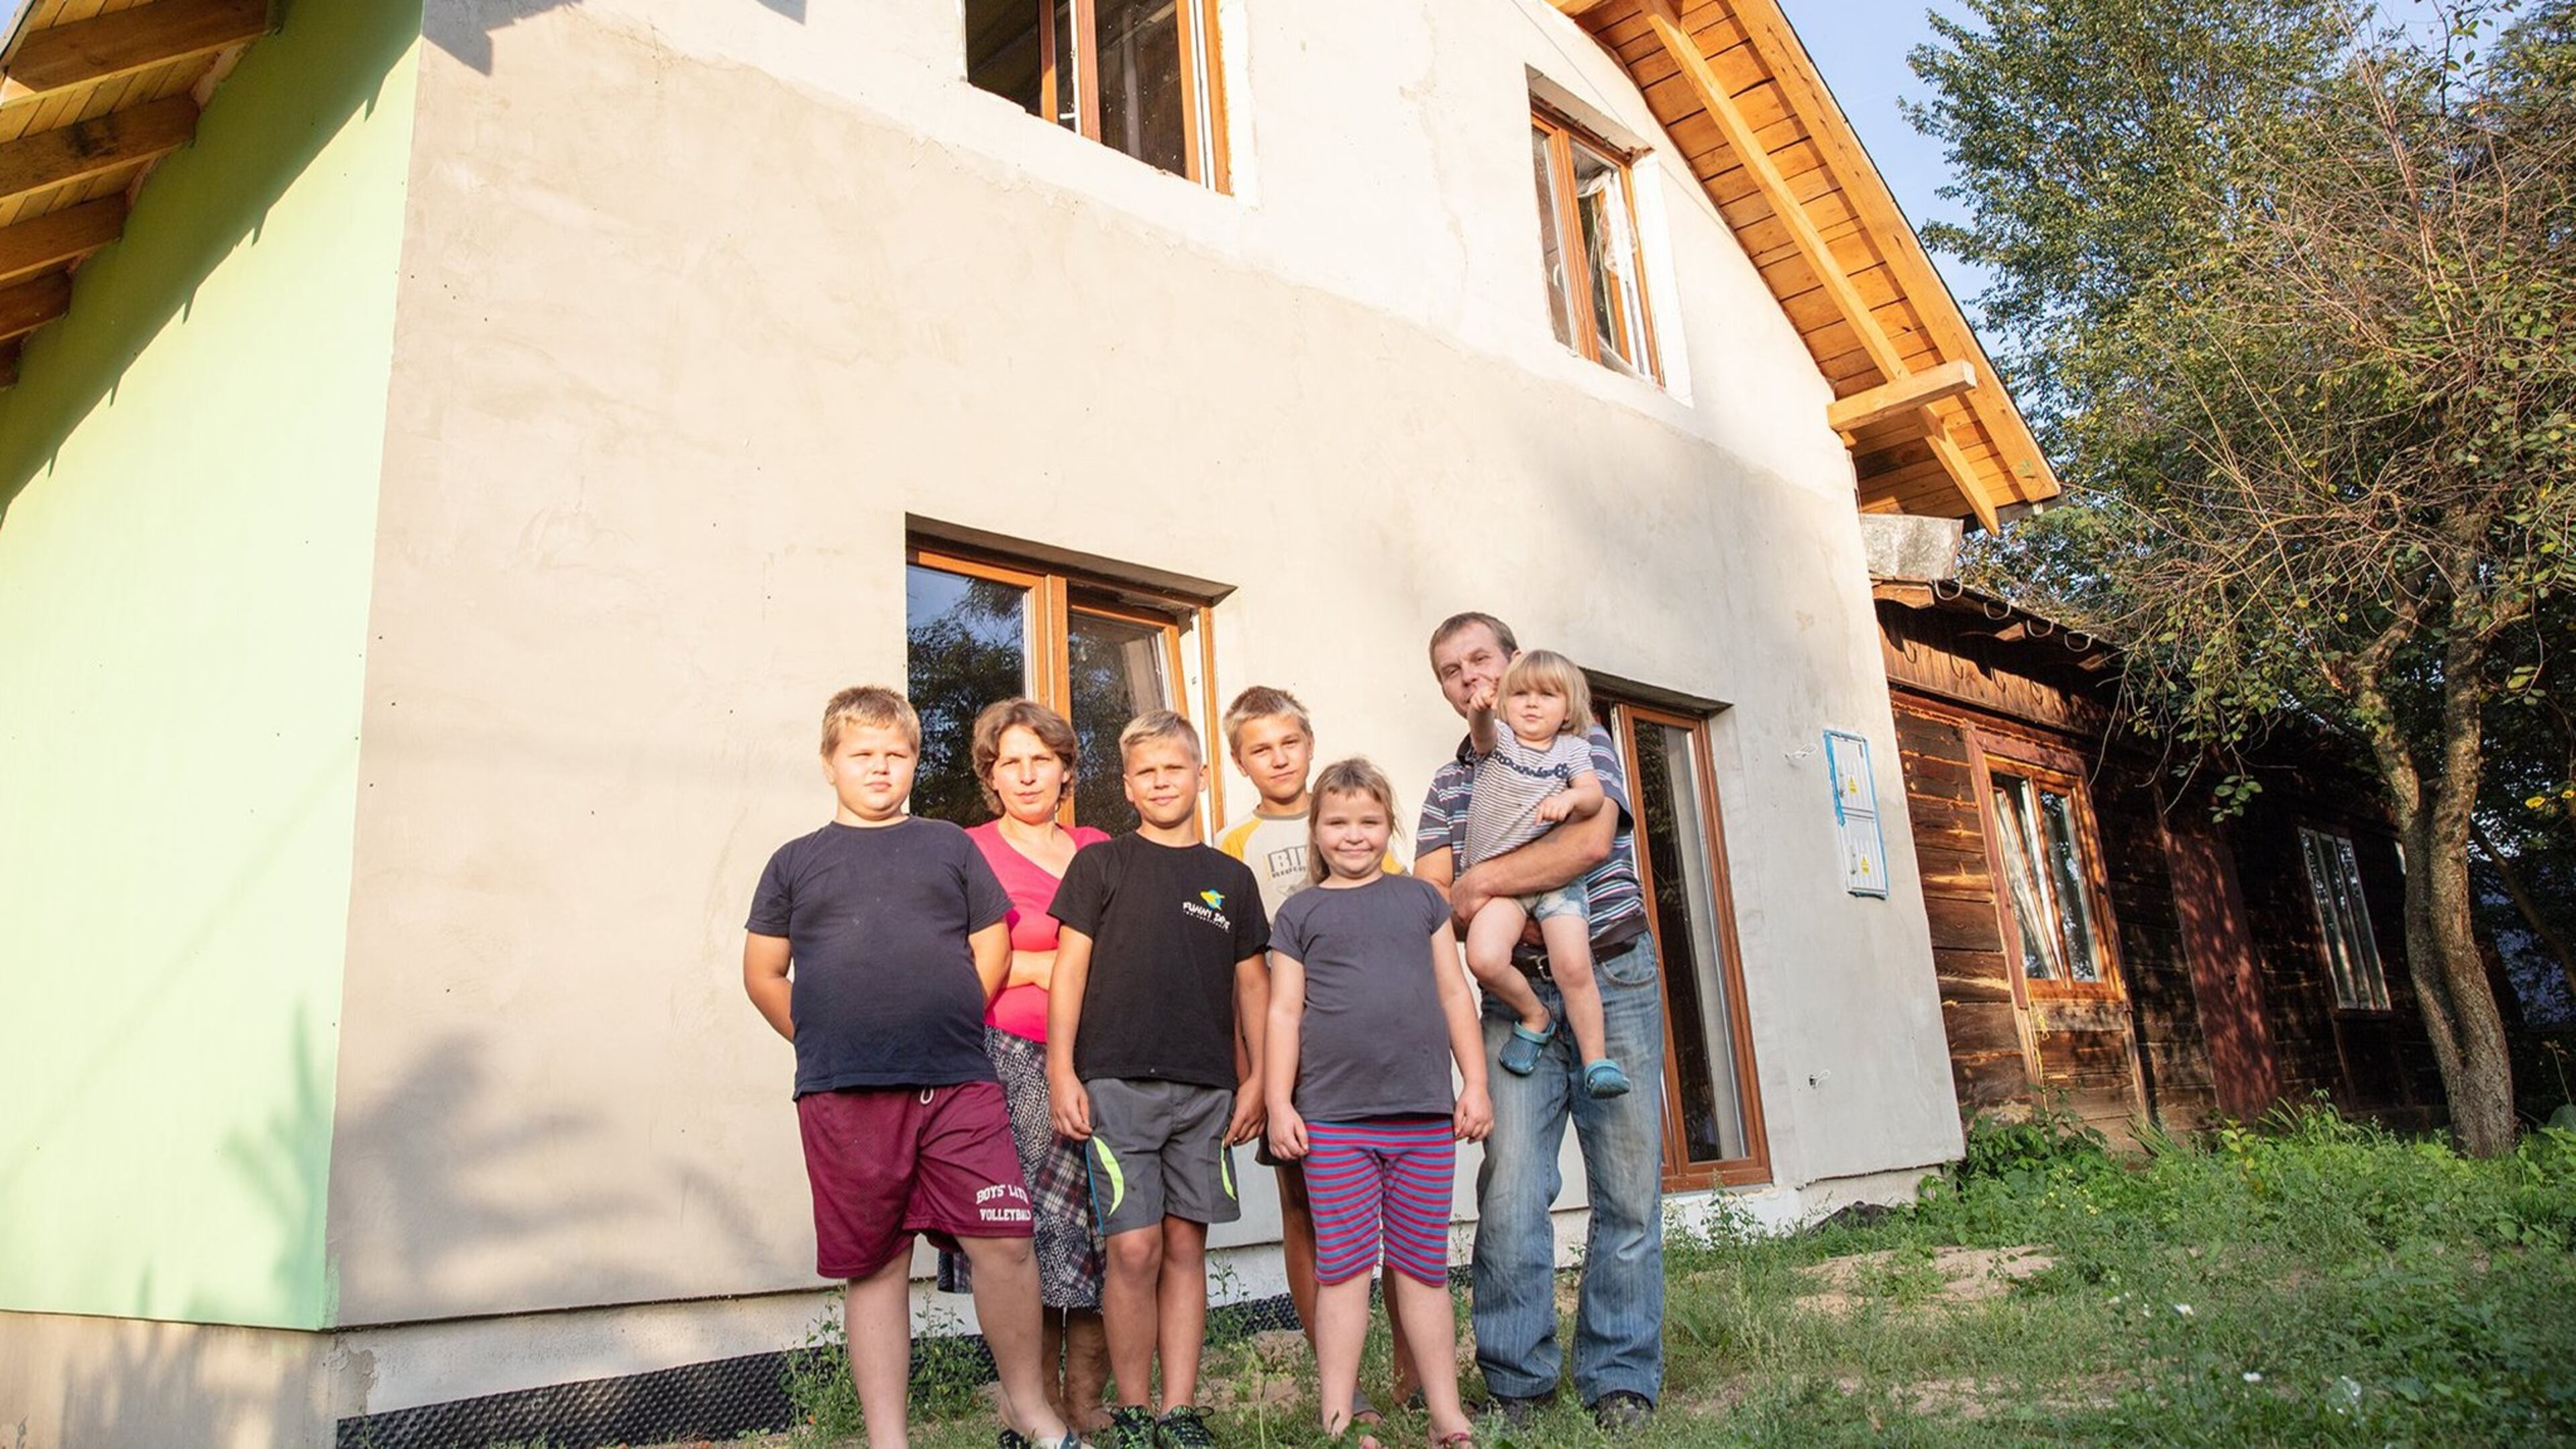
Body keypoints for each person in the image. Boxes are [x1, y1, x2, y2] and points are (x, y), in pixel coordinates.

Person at [741, 686, 1079, 1449]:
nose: (880, 767)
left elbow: (993, 943)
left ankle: (1030, 1412)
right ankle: (887, 1441)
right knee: (877, 1265)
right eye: (862, 753)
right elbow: (763, 973)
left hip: (959, 1083)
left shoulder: (947, 846)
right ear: (829, 763)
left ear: (916, 763)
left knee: (1006, 1240)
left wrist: (954, 1012)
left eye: (896, 754)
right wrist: (822, 1038)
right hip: (844, 1096)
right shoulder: (795, 862)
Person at [1413, 615, 1666, 1430]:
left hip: (1612, 976)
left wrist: (1484, 877)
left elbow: (1588, 846)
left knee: (1628, 1188)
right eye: (1450, 671)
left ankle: (1620, 1377)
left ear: (1515, 661)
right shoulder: (1449, 786)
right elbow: (1436, 901)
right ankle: (1517, 1385)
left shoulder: (1580, 742)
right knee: (1512, 1190)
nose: (1469, 678)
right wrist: (1471, 893)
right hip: (1511, 993)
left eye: (1479, 659)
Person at [1046, 710, 1271, 1449]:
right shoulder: (1101, 866)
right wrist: (1061, 1069)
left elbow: (1254, 989)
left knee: (1184, 1247)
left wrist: (1259, 1080)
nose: (1161, 782)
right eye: (1146, 772)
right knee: (1134, 1249)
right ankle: (1135, 1408)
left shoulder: (1231, 880)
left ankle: (1179, 1410)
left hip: (1206, 1092)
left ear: (1201, 776)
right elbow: (1069, 972)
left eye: (1175, 768)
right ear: (1127, 787)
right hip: (1115, 1087)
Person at [1265, 759, 1490, 1449]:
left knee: (1423, 1269)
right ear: (1316, 830)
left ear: (1388, 825)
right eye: (1338, 822)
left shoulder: (1422, 900)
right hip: (1334, 1123)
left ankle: (1447, 1417)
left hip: (1423, 1118)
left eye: (1368, 821)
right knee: (1343, 1271)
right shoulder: (1300, 913)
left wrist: (1475, 1083)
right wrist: (1279, 1103)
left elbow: (1454, 993)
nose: (1354, 835)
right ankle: (1338, 1421)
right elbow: (1283, 1012)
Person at [1212, 687, 1418, 1422]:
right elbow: (1237, 972)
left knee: (1399, 1212)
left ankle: (1412, 1371)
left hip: (1372, 1045)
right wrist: (1252, 1074)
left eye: (1289, 743)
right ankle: (1342, 1379)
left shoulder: (1352, 823)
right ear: (1239, 762)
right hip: (1290, 1049)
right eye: (1260, 749)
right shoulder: (1233, 845)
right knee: (1306, 1209)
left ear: (1309, 743)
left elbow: (1405, 927)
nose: (1278, 759)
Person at [932, 699, 1112, 1434]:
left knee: (1103, 1234)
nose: (1028, 774)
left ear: (1067, 770)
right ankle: (1030, 1406)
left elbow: (1124, 953)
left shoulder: (1099, 848)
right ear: (991, 775)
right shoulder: (964, 851)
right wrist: (1049, 968)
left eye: (1043, 759)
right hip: (1005, 1063)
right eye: (1012, 761)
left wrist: (1031, 963)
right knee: (1024, 1238)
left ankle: (1087, 1402)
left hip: (1099, 1060)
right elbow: (947, 962)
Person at [1457, 651, 1629, 1100]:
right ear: (1504, 703)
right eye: (1521, 694)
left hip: (1557, 884)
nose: (1532, 704)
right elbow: (1481, 731)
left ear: (1568, 709)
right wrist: (1480, 709)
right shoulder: (1500, 741)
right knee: (1484, 958)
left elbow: (1593, 796)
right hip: (1504, 885)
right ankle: (1535, 1015)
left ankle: (1596, 1060)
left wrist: (1571, 800)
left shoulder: (1574, 749)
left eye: (1547, 695)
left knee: (1573, 966)